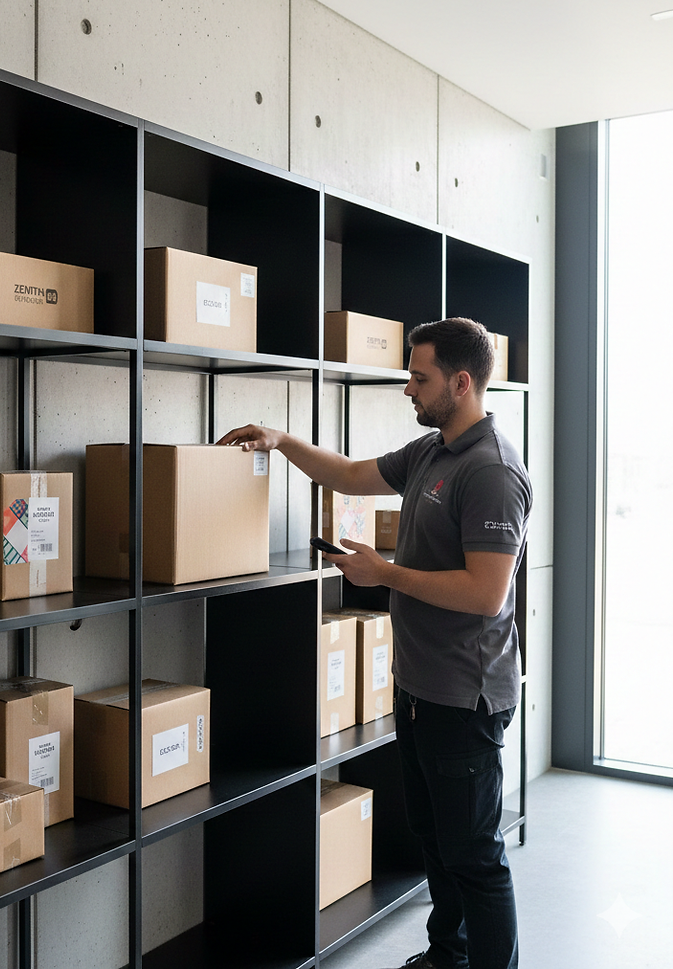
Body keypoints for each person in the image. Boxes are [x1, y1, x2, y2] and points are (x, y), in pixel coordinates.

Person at [218, 317, 531, 969]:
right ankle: (448, 954)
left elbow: (486, 594)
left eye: (420, 379)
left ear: (462, 382)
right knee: (434, 841)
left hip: (463, 696)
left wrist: (384, 574)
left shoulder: (491, 471)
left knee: (473, 854)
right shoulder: (431, 451)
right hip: (418, 688)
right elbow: (349, 474)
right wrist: (281, 441)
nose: (408, 390)